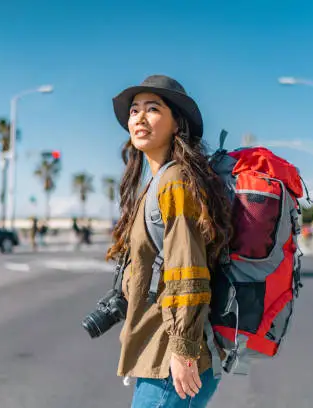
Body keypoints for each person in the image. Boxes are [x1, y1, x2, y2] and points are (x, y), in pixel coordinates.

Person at [106, 75, 232, 407]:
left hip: (172, 357)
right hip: (157, 349)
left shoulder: (175, 180)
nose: (139, 118)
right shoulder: (158, 181)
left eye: (153, 109)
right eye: (134, 111)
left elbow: (188, 269)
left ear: (177, 125)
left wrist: (183, 349)